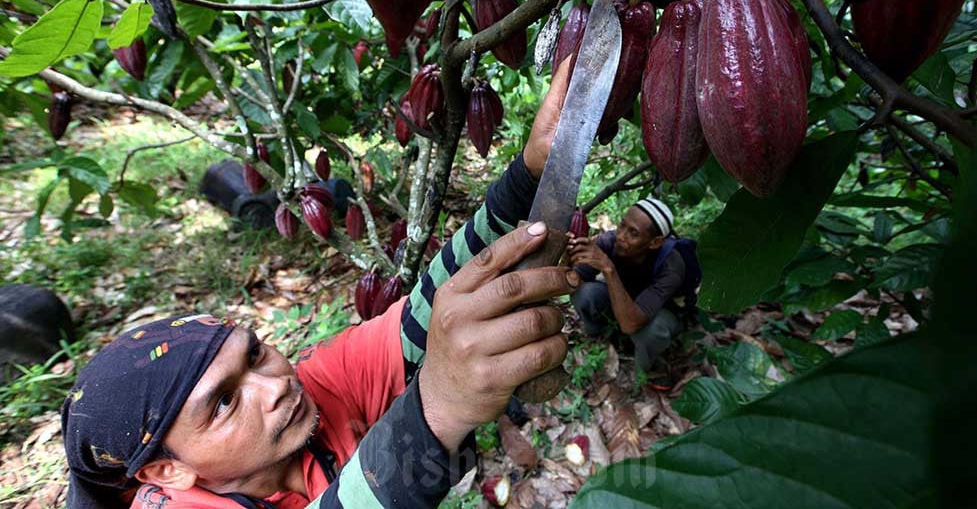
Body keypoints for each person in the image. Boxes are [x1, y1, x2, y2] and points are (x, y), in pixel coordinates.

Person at [61, 67, 577, 509]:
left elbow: (420, 318)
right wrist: (439, 406)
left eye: (257, 354)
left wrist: (529, 174)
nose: (275, 385)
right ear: (165, 473)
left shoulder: (313, 388)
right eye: (221, 403)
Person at [566, 197, 689, 372]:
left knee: (652, 332)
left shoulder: (671, 267)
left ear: (655, 242)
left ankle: (646, 370)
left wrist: (608, 268)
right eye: (622, 225)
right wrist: (568, 258)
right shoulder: (609, 242)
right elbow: (572, 281)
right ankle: (599, 336)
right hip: (626, 300)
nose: (621, 236)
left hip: (658, 312)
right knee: (584, 293)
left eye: (633, 233)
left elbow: (630, 324)